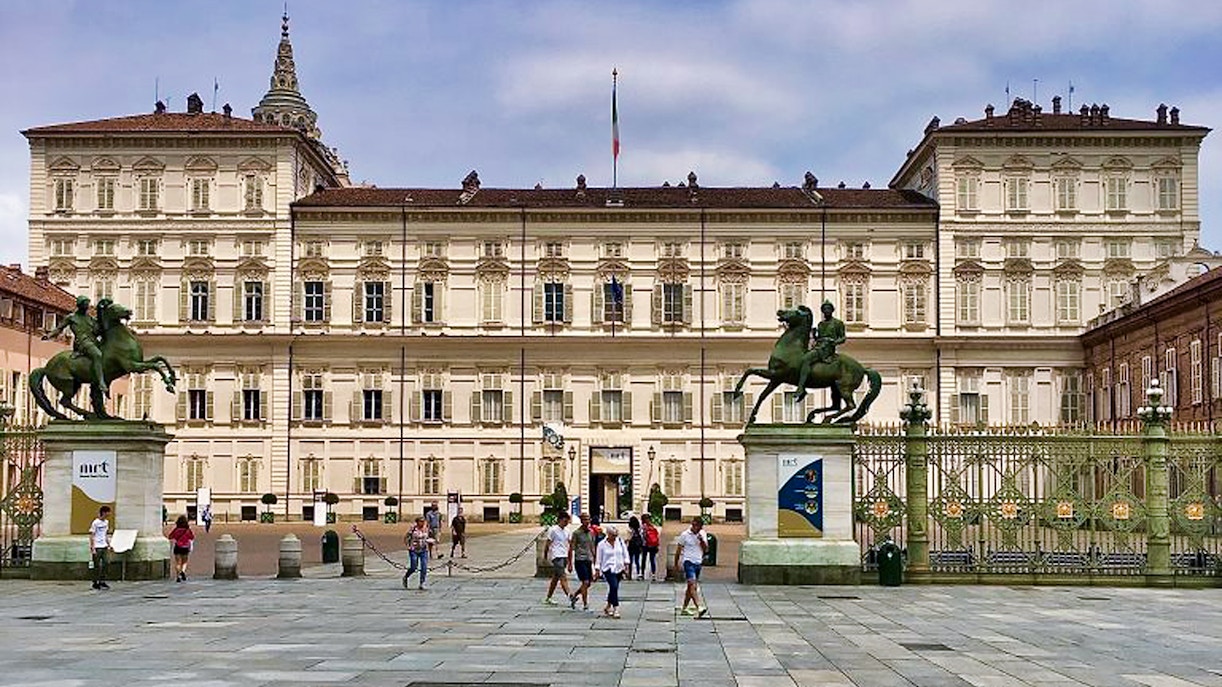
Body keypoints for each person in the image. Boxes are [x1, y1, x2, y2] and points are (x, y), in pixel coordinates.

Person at [43, 295, 108, 398]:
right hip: (82, 342)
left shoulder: (90, 318)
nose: (87, 306)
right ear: (80, 305)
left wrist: (102, 313)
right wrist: (49, 335)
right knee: (97, 355)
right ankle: (101, 382)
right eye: (86, 304)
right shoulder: (71, 317)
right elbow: (59, 329)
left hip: (93, 341)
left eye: (88, 304)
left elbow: (98, 331)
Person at [797, 301, 846, 402]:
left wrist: (835, 342)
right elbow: (818, 338)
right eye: (824, 309)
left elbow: (843, 338)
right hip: (819, 346)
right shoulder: (821, 324)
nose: (826, 311)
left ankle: (801, 388)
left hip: (827, 348)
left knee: (806, 359)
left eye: (828, 309)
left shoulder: (838, 323)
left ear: (832, 310)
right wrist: (814, 335)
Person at [674, 517, 709, 617]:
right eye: (694, 525)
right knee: (692, 584)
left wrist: (701, 540)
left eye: (697, 526)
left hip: (698, 562)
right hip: (688, 562)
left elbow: (706, 549)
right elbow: (678, 550)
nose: (695, 528)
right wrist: (676, 564)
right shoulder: (685, 535)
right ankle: (699, 607)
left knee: (691, 587)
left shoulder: (702, 534)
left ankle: (684, 608)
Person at [594, 524, 630, 618]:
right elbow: (598, 558)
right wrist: (597, 569)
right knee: (613, 586)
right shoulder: (602, 544)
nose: (614, 537)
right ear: (608, 534)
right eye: (613, 535)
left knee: (614, 588)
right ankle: (616, 608)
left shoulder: (620, 542)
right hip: (608, 568)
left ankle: (607, 606)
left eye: (616, 535)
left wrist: (626, 565)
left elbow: (625, 554)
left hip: (619, 567)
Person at [542, 511, 573, 605]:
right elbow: (548, 543)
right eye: (565, 521)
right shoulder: (553, 530)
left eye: (567, 521)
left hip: (564, 555)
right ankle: (570, 595)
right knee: (563, 576)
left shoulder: (567, 531)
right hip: (556, 555)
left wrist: (570, 560)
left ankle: (548, 597)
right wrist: (545, 554)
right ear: (560, 520)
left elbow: (569, 544)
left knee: (555, 578)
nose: (566, 523)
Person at [568, 513, 596, 611]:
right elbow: (571, 548)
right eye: (585, 519)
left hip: (588, 559)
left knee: (588, 583)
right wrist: (570, 563)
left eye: (588, 519)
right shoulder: (576, 533)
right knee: (585, 581)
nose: (587, 521)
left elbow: (592, 546)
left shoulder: (591, 532)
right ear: (581, 520)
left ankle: (574, 596)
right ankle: (585, 603)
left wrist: (596, 560)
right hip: (580, 559)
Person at [402, 516, 434, 590]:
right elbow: (406, 537)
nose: (422, 523)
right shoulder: (413, 528)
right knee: (414, 567)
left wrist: (431, 541)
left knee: (424, 567)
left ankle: (422, 583)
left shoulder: (427, 529)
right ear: (417, 522)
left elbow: (430, 537)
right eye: (421, 521)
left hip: (424, 549)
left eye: (423, 521)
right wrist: (408, 545)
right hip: (414, 550)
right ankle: (406, 577)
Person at [89, 505, 111, 590]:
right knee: (96, 565)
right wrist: (92, 547)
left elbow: (105, 534)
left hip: (104, 545)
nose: (109, 514)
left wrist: (109, 544)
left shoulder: (106, 522)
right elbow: (92, 535)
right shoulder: (95, 522)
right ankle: (95, 582)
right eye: (108, 512)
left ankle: (102, 580)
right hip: (97, 546)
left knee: (106, 563)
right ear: (104, 512)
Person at [166, 514, 195, 582]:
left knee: (178, 562)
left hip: (178, 547)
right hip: (185, 547)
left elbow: (170, 536)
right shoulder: (188, 530)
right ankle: (183, 571)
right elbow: (192, 537)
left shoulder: (176, 530)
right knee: (184, 562)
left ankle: (178, 576)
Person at [641, 513, 661, 581]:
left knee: (644, 559)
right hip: (653, 544)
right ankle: (653, 575)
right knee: (652, 559)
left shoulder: (643, 526)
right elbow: (657, 536)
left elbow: (642, 536)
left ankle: (642, 574)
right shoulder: (653, 526)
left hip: (645, 545)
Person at [627, 515, 644, 581]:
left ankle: (630, 575)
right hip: (637, 546)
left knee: (630, 561)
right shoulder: (639, 529)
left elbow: (628, 538)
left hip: (631, 546)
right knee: (637, 560)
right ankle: (638, 574)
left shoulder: (630, 529)